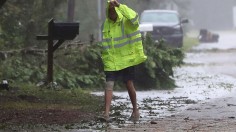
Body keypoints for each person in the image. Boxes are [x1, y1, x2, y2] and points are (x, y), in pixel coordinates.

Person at [100, 0, 147, 123]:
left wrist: (120, 6)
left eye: (113, 12)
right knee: (109, 84)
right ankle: (106, 113)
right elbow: (106, 43)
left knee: (129, 84)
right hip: (112, 60)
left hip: (126, 59)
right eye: (109, 12)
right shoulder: (106, 24)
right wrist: (106, 58)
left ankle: (135, 110)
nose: (111, 15)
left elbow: (135, 17)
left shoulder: (126, 21)